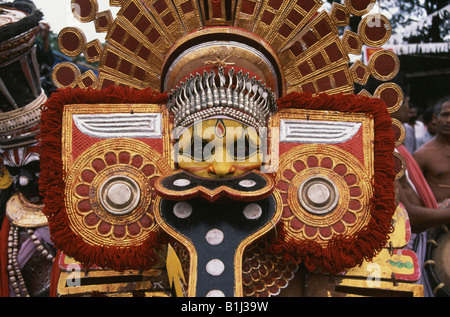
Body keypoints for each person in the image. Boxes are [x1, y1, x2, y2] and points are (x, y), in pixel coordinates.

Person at [392, 94, 450, 297]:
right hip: (421, 239)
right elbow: (411, 216)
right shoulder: (413, 153)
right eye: (444, 114)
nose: (410, 106)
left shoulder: (396, 147)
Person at [413, 97, 450, 207]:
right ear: (435, 118)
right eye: (445, 115)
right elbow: (414, 199)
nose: (448, 120)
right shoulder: (422, 155)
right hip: (438, 221)